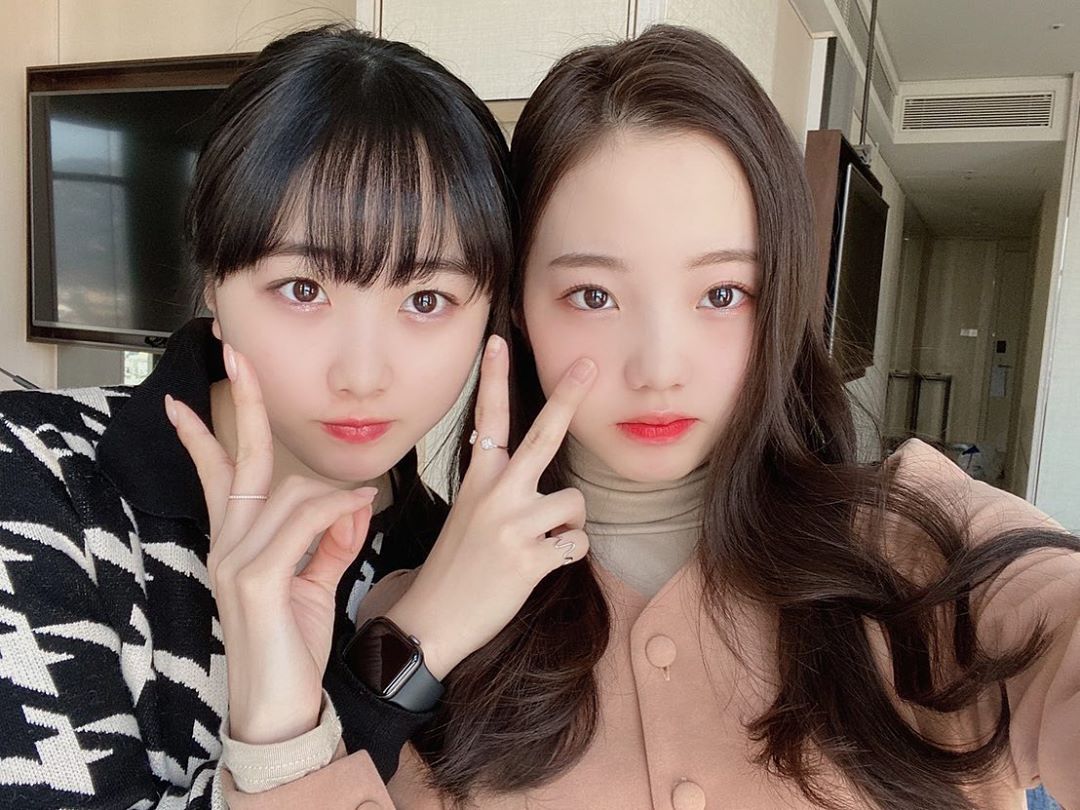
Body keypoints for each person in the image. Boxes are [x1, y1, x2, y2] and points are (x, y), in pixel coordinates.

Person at [212, 25, 1080, 810]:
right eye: (593, 295)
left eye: (722, 294)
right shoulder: (418, 621)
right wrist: (280, 736)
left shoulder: (925, 544)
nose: (660, 368)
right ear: (517, 311)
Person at [0, 23, 513, 808]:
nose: (362, 375)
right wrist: (406, 652)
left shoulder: (467, 563)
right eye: (304, 289)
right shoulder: (38, 482)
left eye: (426, 299)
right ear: (212, 276)